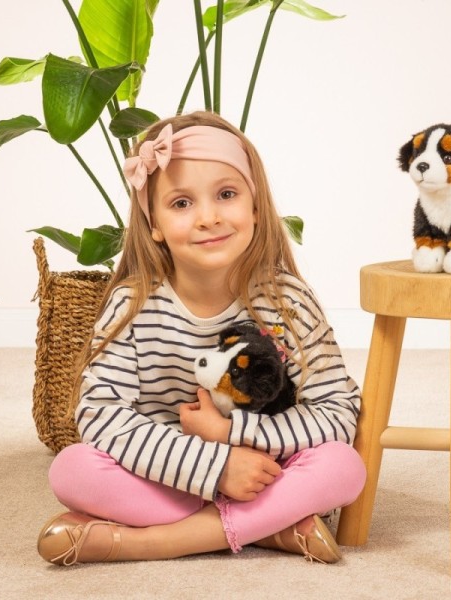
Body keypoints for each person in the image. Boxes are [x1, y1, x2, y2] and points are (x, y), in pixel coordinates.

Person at [37, 111, 366, 566]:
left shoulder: (287, 300)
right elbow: (101, 415)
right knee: (72, 470)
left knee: (342, 467)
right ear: (153, 223)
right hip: (166, 470)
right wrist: (214, 468)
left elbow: (337, 411)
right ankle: (269, 528)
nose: (208, 217)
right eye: (181, 203)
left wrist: (232, 435)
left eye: (226, 195)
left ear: (255, 206)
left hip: (264, 465)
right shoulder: (133, 303)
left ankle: (144, 543)